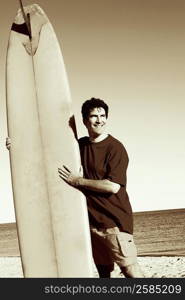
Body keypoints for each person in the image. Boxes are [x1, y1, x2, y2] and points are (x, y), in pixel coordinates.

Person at [58, 97, 144, 278]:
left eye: (103, 115)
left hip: (114, 223)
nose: (99, 120)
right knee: (104, 274)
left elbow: (112, 186)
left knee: (131, 271)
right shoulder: (79, 146)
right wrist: (17, 146)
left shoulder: (115, 148)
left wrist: (78, 181)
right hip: (91, 224)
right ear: (84, 121)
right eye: (94, 116)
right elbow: (51, 154)